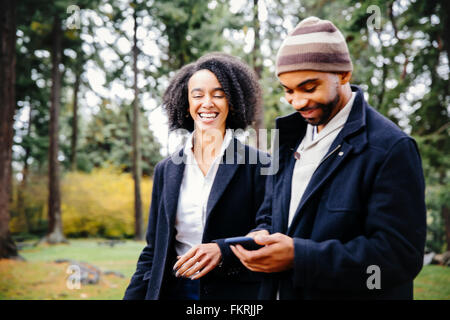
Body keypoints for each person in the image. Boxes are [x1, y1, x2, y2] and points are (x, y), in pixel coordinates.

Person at [231, 16, 427, 300]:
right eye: (288, 91)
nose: (298, 102)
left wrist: (301, 257)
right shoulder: (287, 140)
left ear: (344, 74)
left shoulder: (391, 148)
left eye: (309, 88)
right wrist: (260, 234)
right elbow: (270, 214)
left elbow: (399, 257)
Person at [123, 53, 268, 300]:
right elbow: (153, 250)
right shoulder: (166, 169)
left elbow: (268, 228)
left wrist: (224, 250)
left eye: (218, 94)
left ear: (232, 101)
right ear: (186, 103)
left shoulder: (259, 164)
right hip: (174, 290)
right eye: (198, 95)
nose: (207, 103)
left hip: (235, 294)